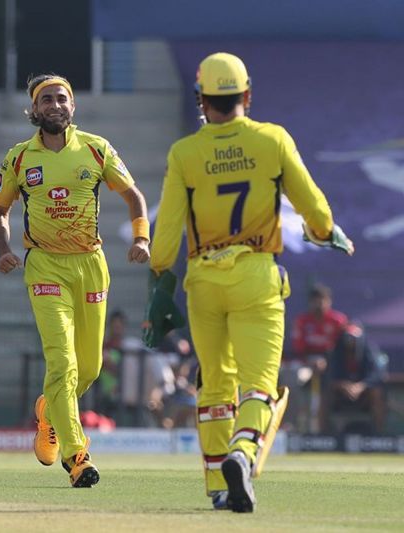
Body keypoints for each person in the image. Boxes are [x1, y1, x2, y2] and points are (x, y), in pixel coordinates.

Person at [143, 53, 353, 512]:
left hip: (203, 280)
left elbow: (167, 234)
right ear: (247, 96)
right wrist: (325, 232)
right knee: (259, 385)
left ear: (201, 100)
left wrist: (160, 280)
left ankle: (219, 486)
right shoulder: (272, 140)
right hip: (256, 275)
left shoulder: (185, 153)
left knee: (215, 386)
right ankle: (244, 451)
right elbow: (314, 209)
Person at [0, 73, 151, 487]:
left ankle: (49, 413)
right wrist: (4, 251)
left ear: (72, 106)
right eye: (47, 100)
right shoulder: (19, 158)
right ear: (34, 109)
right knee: (61, 361)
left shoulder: (97, 149)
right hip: (44, 265)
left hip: (90, 263)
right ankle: (77, 456)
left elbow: (133, 196)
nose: (55, 105)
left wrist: (141, 238)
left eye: (62, 99)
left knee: (91, 367)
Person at [283, 283, 348, 432]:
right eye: (316, 301)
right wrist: (312, 361)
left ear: (329, 301)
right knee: (293, 379)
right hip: (307, 364)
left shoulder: (338, 321)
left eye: (323, 300)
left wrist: (327, 361)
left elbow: (343, 348)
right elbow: (298, 348)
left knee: (334, 385)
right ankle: (293, 425)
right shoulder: (302, 321)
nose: (320, 305)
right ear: (310, 303)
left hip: (332, 366)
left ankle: (325, 429)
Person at [322, 323, 388, 434]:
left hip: (364, 394)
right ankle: (323, 435)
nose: (351, 342)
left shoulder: (369, 351)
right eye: (348, 338)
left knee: (377, 392)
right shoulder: (336, 352)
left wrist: (360, 386)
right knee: (325, 394)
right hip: (341, 394)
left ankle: (379, 434)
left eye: (354, 339)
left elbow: (377, 375)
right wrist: (344, 386)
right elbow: (330, 376)